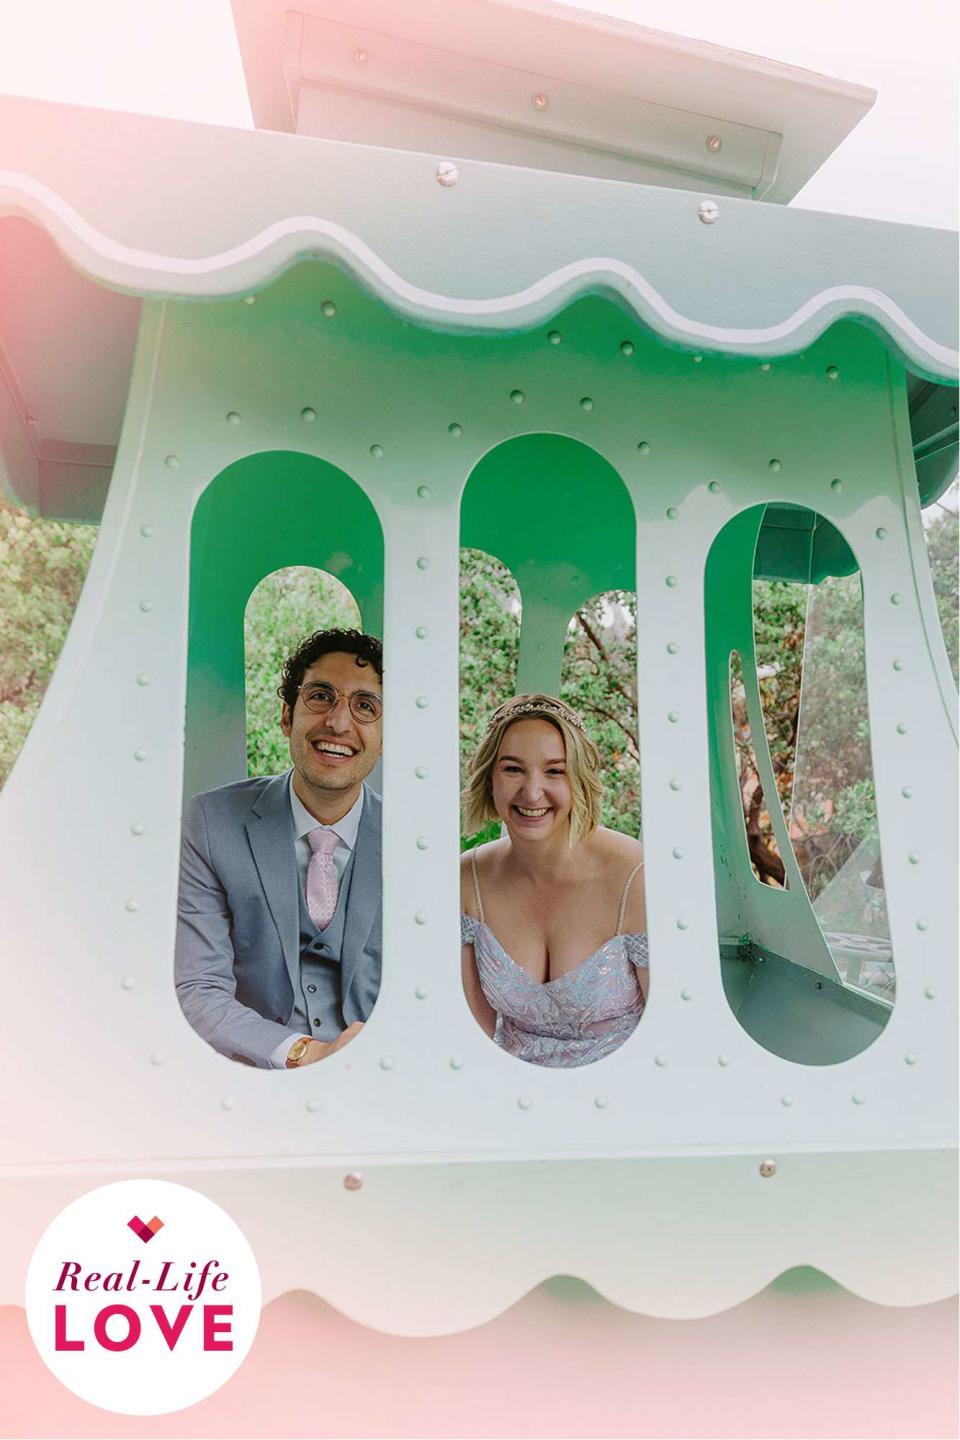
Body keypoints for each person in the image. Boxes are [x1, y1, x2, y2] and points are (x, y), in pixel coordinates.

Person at [176, 628, 383, 1068]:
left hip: (380, 1080)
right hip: (251, 1080)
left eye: (365, 706)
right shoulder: (213, 823)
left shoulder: (413, 842)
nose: (339, 722)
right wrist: (302, 1053)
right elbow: (199, 987)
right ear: (287, 716)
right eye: (321, 697)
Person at [460, 694, 648, 1067]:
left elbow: (671, 1034)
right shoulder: (467, 881)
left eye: (554, 771)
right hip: (508, 1095)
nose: (531, 793)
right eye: (512, 769)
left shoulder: (636, 876)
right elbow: (473, 1030)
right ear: (489, 779)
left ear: (578, 779)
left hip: (623, 1095)